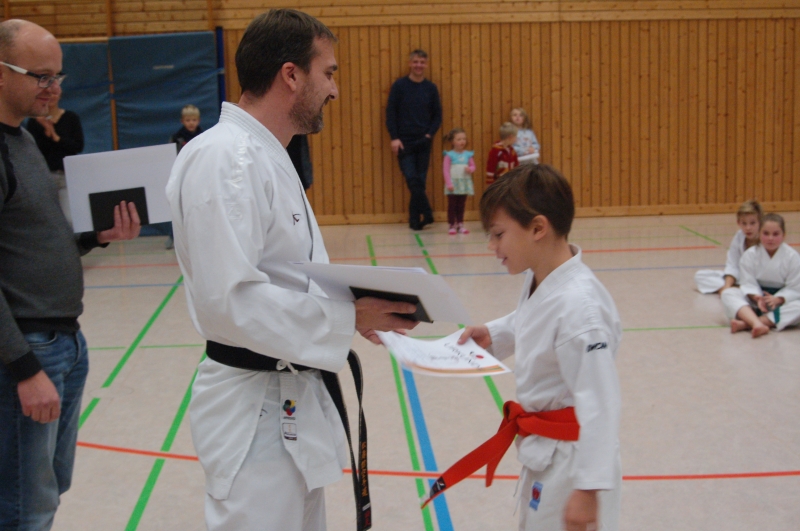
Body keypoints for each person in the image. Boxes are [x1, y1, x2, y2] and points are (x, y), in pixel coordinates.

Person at [165, 9, 418, 531]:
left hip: (287, 400)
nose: (335, 90)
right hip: (252, 411)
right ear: (291, 75)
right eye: (329, 73)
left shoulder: (265, 155)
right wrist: (345, 317)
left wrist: (354, 306)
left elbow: (286, 275)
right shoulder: (228, 159)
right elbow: (231, 301)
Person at [423, 164, 622, 531]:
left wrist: (588, 489)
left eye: (498, 234)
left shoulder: (581, 309)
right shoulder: (543, 278)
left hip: (574, 462)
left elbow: (601, 402)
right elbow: (530, 320)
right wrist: (494, 334)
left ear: (537, 228)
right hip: (546, 449)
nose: (492, 246)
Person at [0, 19, 140, 531]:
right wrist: (24, 369)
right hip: (27, 352)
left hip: (63, 343)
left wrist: (95, 237)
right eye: (40, 76)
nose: (53, 88)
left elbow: (35, 243)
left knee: (47, 490)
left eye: (57, 76)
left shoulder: (24, 141)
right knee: (24, 505)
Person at [386, 49, 442, 231]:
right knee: (412, 179)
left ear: (426, 64)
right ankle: (427, 212)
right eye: (416, 62)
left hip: (424, 141)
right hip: (404, 142)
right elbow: (391, 113)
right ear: (410, 63)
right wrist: (394, 138)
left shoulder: (430, 88)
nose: (419, 65)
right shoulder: (400, 86)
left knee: (420, 181)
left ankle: (415, 221)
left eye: (422, 62)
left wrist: (429, 135)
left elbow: (437, 116)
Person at [730, 213, 800, 337]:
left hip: (781, 302)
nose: (770, 238)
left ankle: (750, 323)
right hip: (756, 301)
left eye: (775, 234)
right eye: (766, 233)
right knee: (729, 293)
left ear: (784, 235)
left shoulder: (792, 257)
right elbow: (747, 283)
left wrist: (778, 299)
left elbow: (795, 287)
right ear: (759, 234)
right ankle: (758, 323)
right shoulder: (750, 255)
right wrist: (757, 298)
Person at [24, 89, 83, 221]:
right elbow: (32, 150)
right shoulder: (34, 122)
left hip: (66, 174)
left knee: (69, 218)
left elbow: (77, 146)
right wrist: (46, 131)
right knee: (45, 217)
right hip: (44, 175)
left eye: (54, 93)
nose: (51, 97)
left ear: (60, 95)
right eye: (48, 94)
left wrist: (55, 137)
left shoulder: (71, 117)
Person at [442, 127, 475, 235]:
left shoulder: (468, 154)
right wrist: (449, 183)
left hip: (463, 183)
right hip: (453, 184)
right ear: (452, 141)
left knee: (461, 205)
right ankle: (452, 225)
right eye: (459, 139)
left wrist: (470, 169)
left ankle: (460, 224)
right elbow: (445, 170)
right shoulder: (449, 155)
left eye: (464, 139)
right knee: (452, 205)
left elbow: (473, 166)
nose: (462, 141)